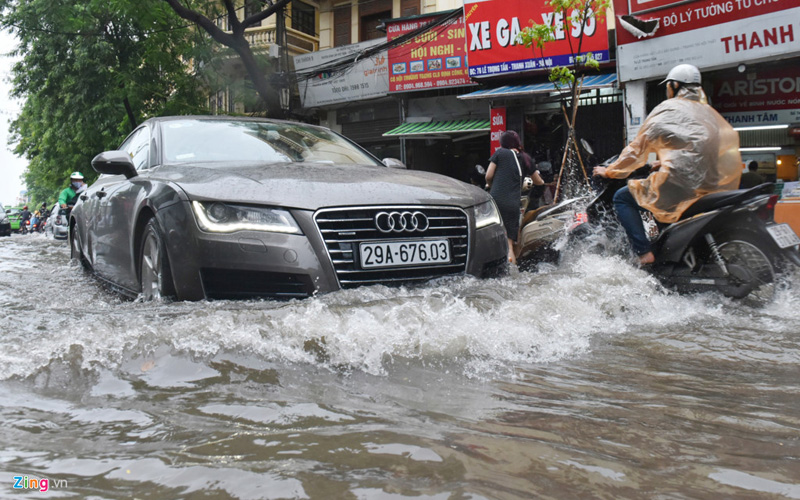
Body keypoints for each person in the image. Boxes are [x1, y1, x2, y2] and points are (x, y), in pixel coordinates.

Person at [593, 63, 741, 266]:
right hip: (711, 186)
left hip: (682, 185)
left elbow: (638, 148)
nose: (666, 89)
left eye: (667, 86)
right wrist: (664, 163)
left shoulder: (670, 109)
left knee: (623, 198)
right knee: (648, 196)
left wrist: (610, 171)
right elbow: (695, 149)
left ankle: (644, 253)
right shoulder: (708, 113)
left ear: (674, 85)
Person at [485, 130, 544, 265]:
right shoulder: (526, 158)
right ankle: (512, 274)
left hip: (496, 202)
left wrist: (490, 185)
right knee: (509, 243)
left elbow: (488, 175)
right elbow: (538, 181)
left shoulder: (500, 153)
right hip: (513, 204)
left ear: (503, 143)